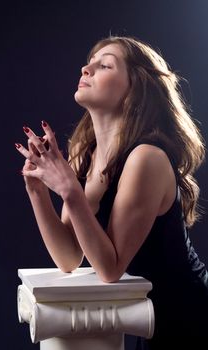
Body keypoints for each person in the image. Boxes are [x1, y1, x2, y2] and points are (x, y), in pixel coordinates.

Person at [15, 36, 208, 348]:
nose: (86, 68)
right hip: (146, 312)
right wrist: (37, 190)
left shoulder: (147, 157)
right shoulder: (83, 150)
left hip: (190, 313)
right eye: (90, 62)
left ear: (135, 88)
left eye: (103, 65)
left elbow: (110, 267)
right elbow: (69, 258)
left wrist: (69, 190)